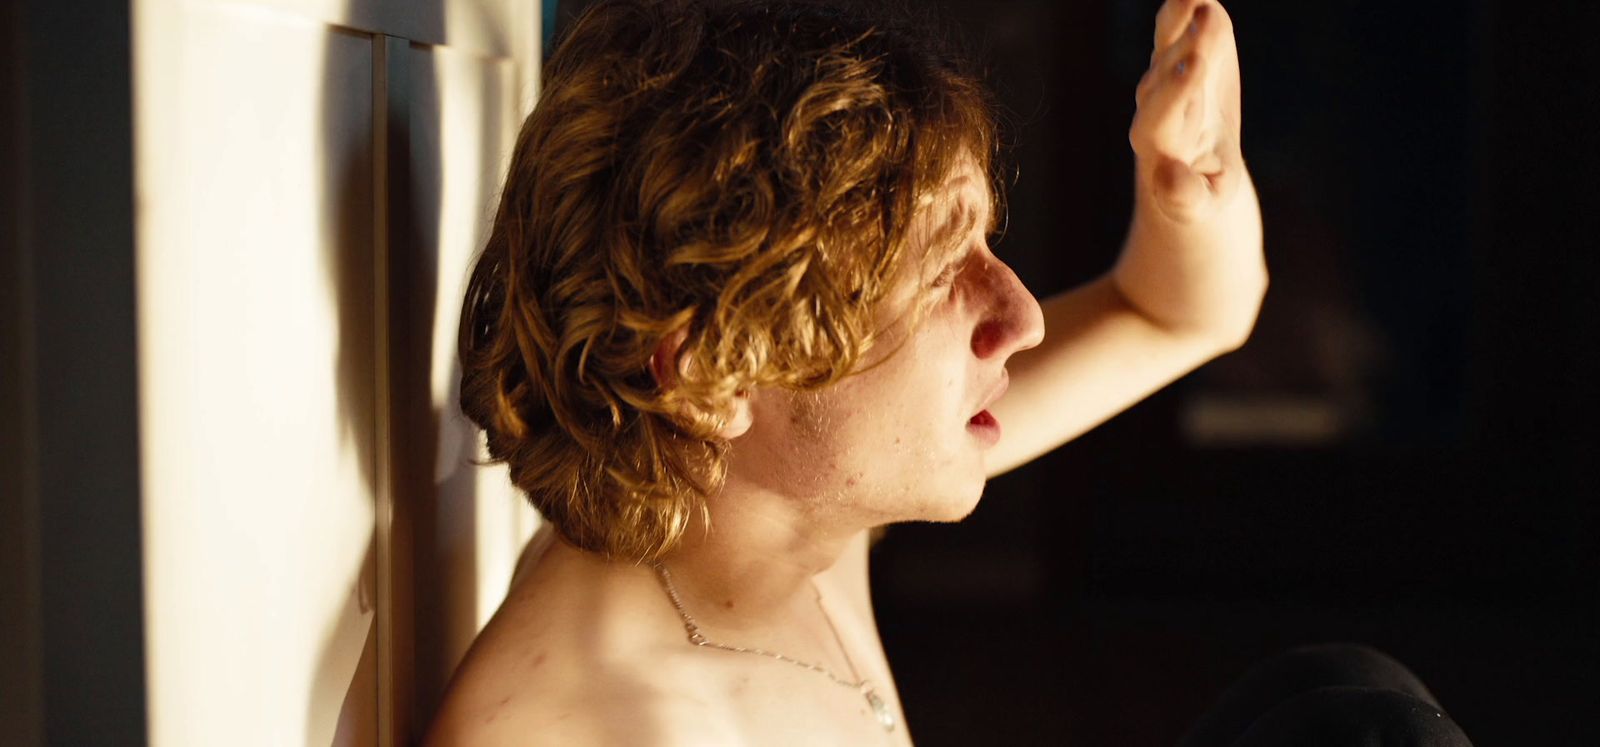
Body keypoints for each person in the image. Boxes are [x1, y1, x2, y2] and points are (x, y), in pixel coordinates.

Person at [421, 0, 1429, 744]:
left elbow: (1176, 313)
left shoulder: (786, 493)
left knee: (1344, 705)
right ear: (714, 374)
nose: (1023, 318)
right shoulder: (592, 721)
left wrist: (1187, 189)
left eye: (985, 244)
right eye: (941, 272)